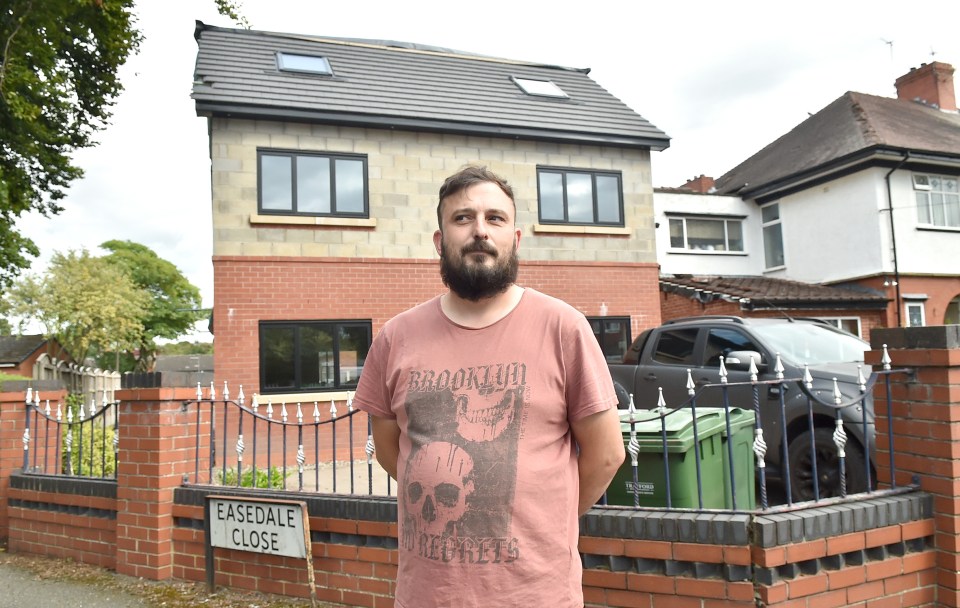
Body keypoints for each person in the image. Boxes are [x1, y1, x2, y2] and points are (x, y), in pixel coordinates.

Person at [352, 165, 625, 607]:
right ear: (440, 241)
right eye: (462, 218)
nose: (479, 230)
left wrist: (546, 520)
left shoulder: (563, 328)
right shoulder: (396, 338)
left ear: (515, 239)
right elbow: (392, 452)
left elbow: (608, 453)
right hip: (427, 596)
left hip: (536, 595)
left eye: (494, 218)